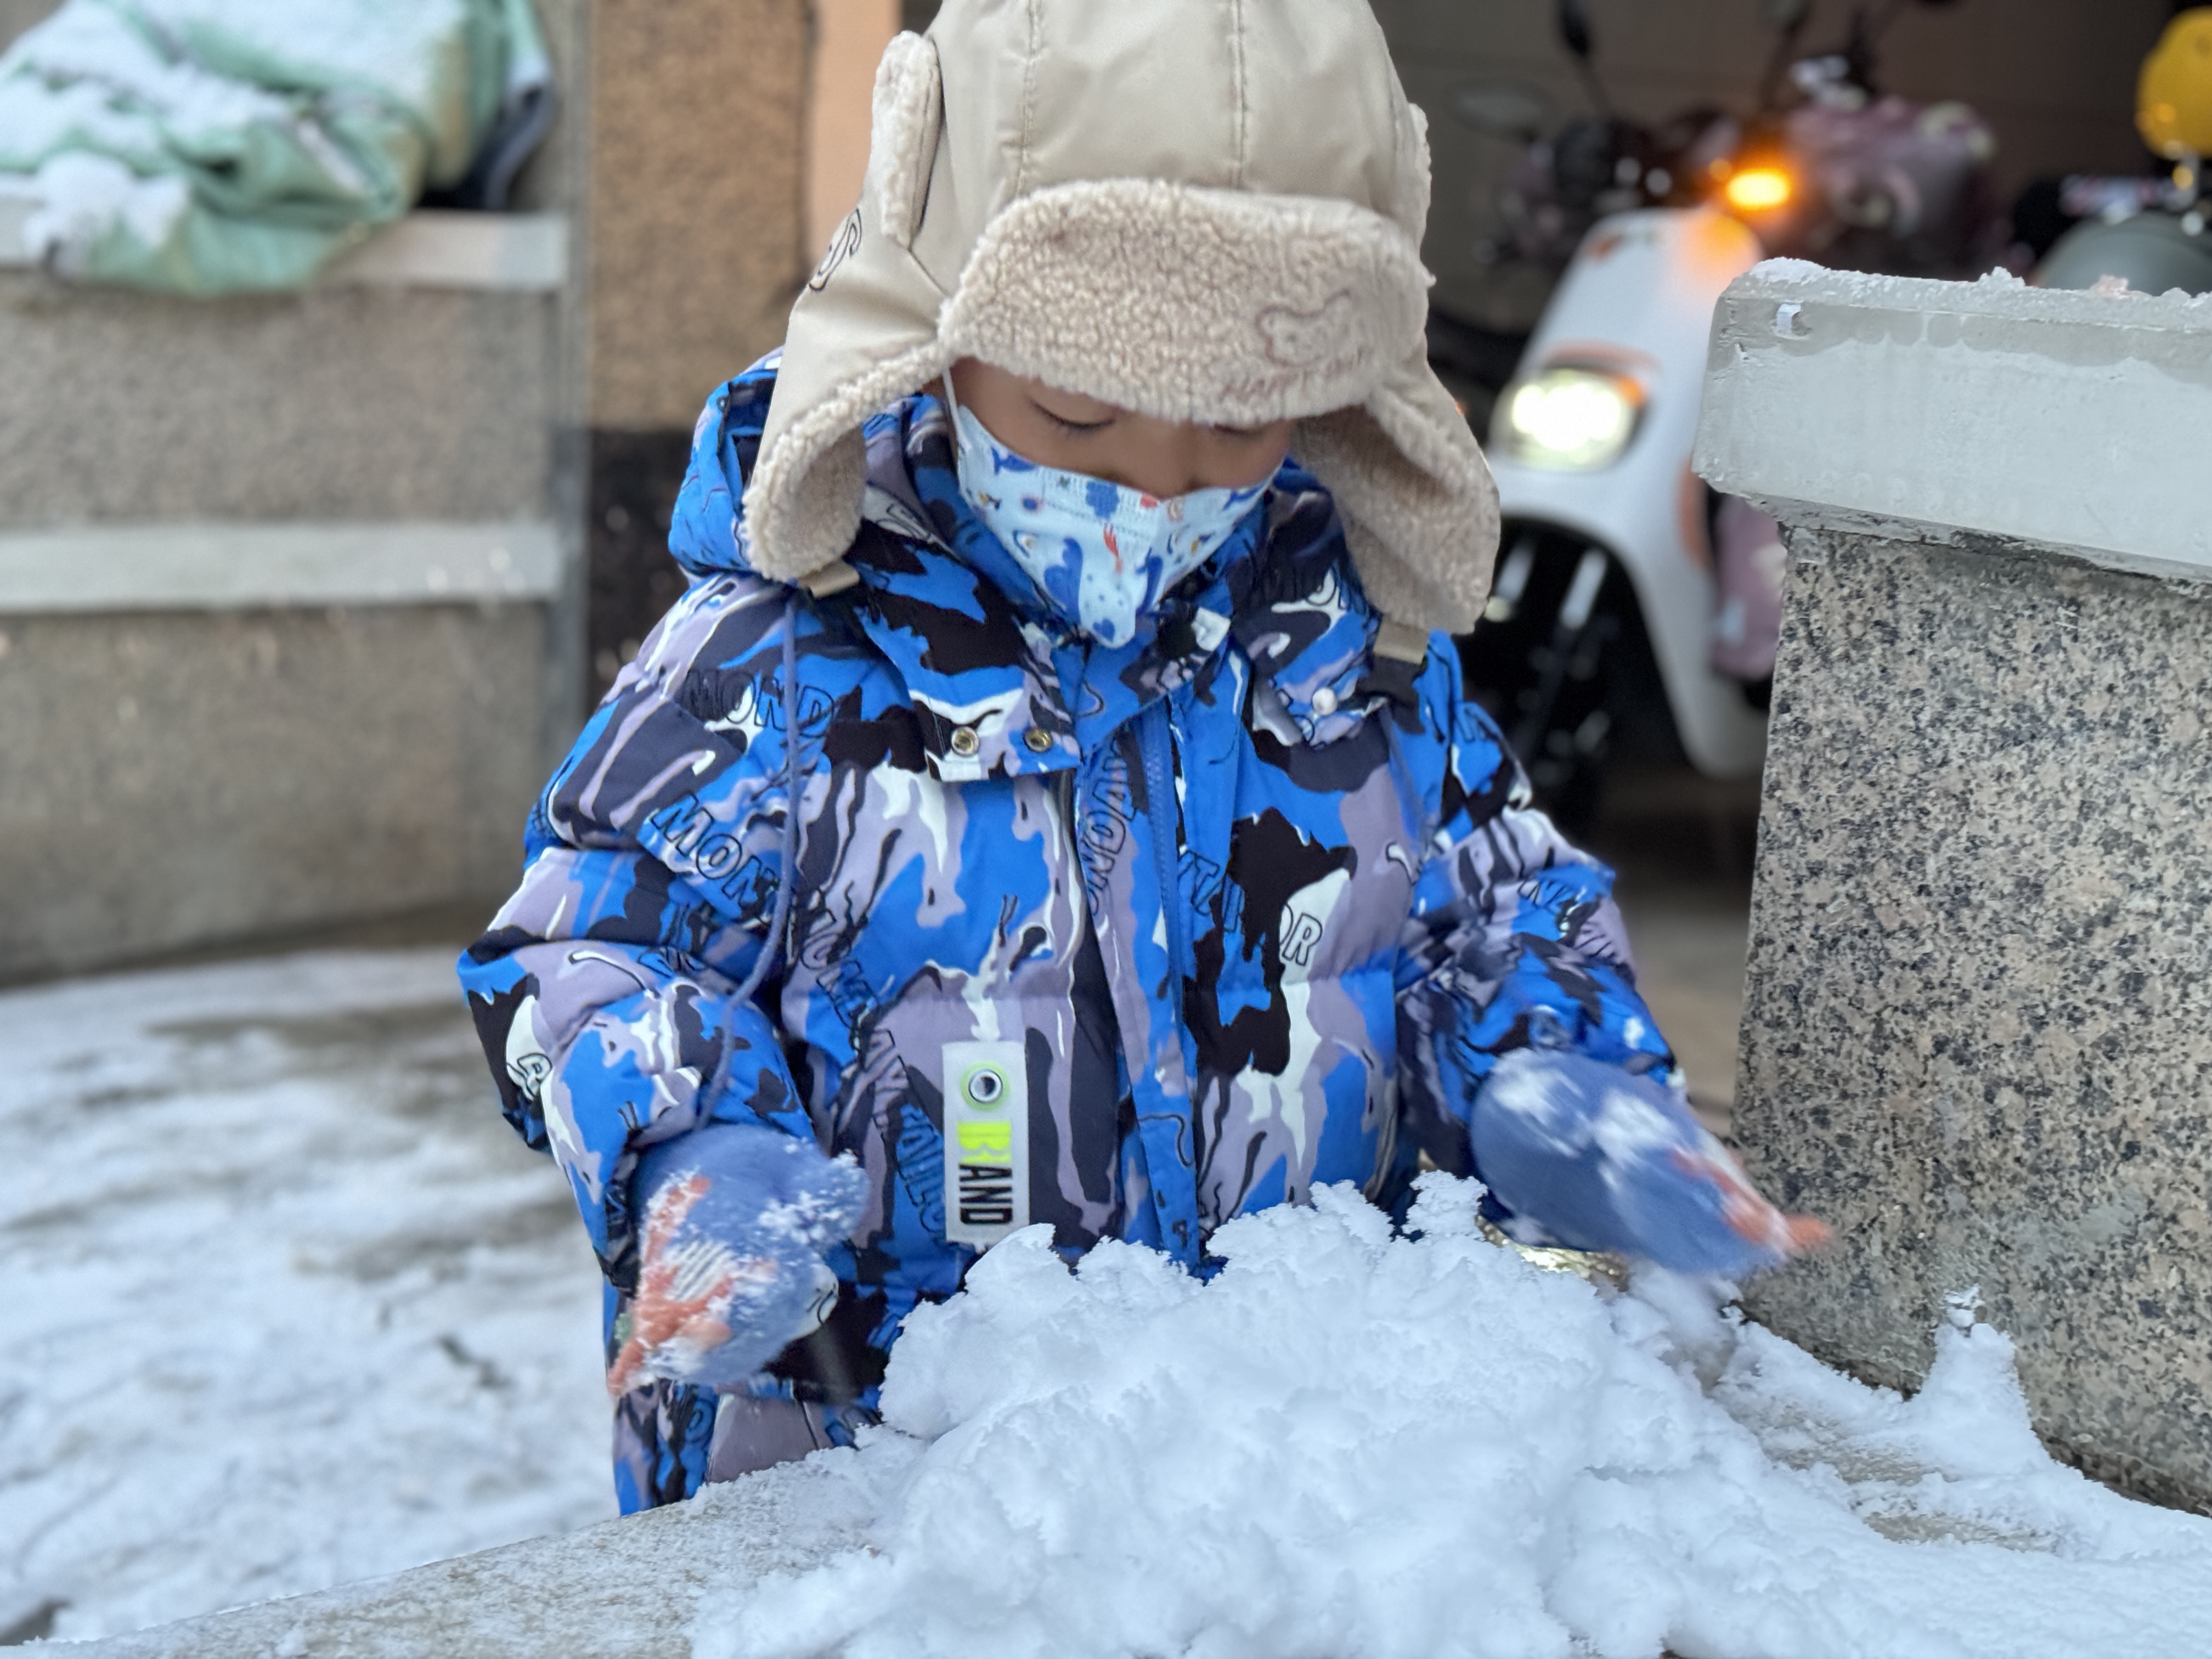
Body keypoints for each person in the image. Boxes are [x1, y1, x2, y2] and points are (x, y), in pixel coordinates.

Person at [459, 0, 1824, 1515]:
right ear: (937, 322)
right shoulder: (777, 660)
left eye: (1237, 430)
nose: (1157, 485)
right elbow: (589, 946)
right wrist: (696, 1147)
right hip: (871, 1494)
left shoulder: (1356, 657)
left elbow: (1490, 914)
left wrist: (1556, 1077)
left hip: (1258, 1478)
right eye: (1079, 407)